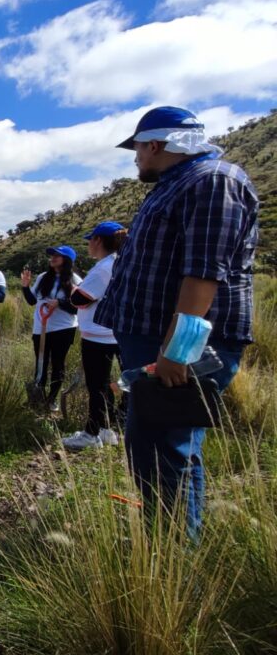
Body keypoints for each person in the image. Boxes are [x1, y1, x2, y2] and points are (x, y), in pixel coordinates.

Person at [96, 106, 258, 537]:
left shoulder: (212, 181)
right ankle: (169, 540)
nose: (135, 158)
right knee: (162, 445)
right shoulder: (179, 184)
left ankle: (170, 559)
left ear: (155, 144)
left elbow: (204, 272)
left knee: (163, 448)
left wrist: (176, 351)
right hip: (155, 342)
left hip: (179, 346)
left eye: (137, 149)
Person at [62, 223, 127, 451]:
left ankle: (91, 434)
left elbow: (80, 299)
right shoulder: (120, 262)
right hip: (112, 333)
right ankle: (106, 429)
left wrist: (73, 292)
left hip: (97, 336)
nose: (89, 244)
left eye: (90, 240)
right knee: (105, 384)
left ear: (98, 241)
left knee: (96, 386)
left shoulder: (102, 268)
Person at [21, 246, 82, 412]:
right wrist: (25, 286)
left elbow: (80, 307)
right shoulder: (43, 277)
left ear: (67, 259)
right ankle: (37, 398)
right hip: (40, 329)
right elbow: (32, 301)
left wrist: (60, 303)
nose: (53, 258)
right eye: (52, 255)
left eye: (57, 255)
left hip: (63, 329)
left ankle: (52, 400)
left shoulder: (75, 280)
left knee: (57, 364)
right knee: (40, 363)